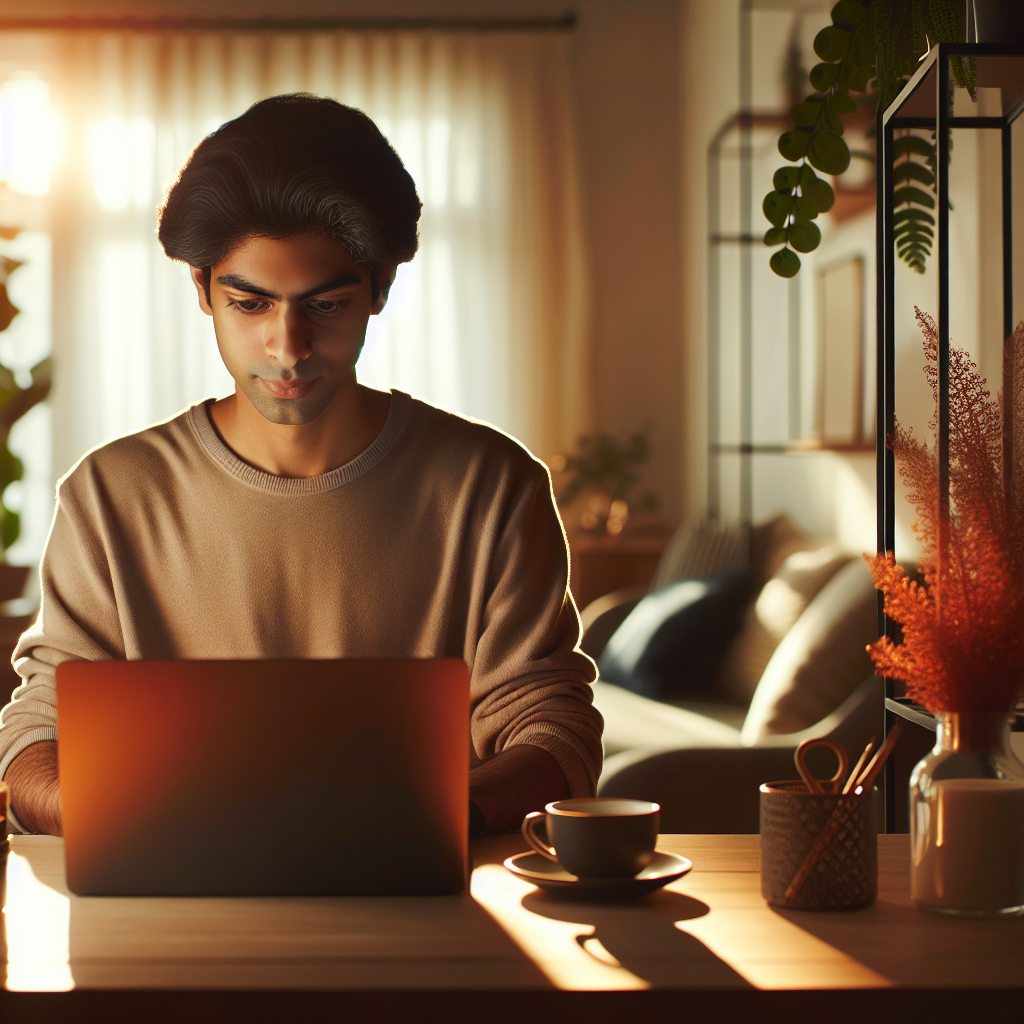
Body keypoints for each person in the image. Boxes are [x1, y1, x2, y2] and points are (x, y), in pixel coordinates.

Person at [0, 94, 602, 838]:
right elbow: (38, 732)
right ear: (202, 292)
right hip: (168, 911)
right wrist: (125, 818)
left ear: (379, 291)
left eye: (325, 305)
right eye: (250, 304)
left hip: (423, 915)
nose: (287, 348)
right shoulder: (110, 495)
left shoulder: (492, 486)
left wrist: (424, 820)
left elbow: (551, 729)